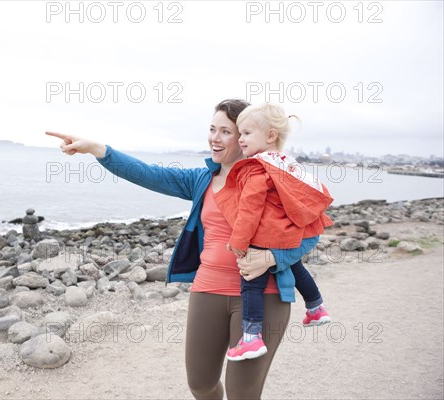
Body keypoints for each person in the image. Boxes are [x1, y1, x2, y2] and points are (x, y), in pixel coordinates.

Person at [46, 99, 319, 400]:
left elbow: (310, 233)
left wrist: (272, 257)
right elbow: (149, 174)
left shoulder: (274, 179)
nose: (215, 138)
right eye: (212, 129)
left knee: (243, 394)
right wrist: (98, 149)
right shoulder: (202, 179)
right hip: (208, 291)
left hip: (262, 295)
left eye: (226, 132)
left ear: (246, 135)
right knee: (200, 385)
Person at [215, 103, 333, 362]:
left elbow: (249, 208)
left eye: (246, 133)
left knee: (250, 282)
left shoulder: (257, 167)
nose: (240, 138)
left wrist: (239, 241)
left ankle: (251, 338)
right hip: (289, 233)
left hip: (267, 236)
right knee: (297, 267)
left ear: (270, 136)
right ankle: (316, 307)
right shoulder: (285, 163)